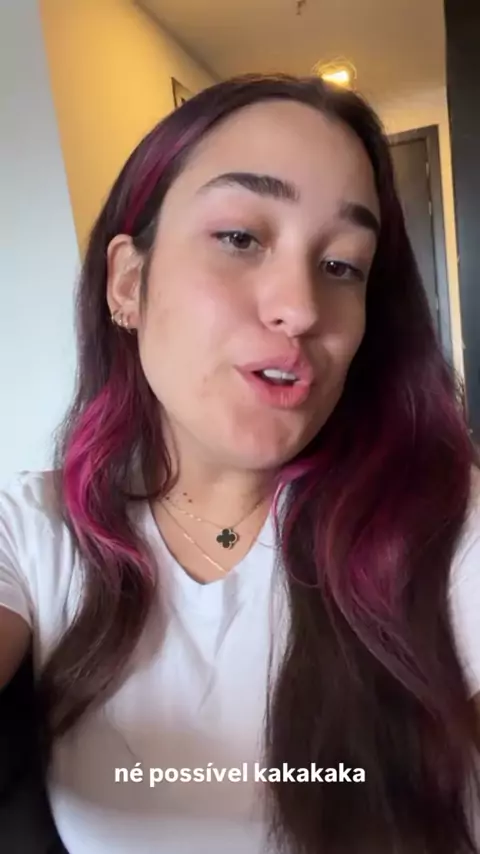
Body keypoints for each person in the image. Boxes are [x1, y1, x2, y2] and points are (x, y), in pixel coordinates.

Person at [0, 73, 479, 854]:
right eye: (240, 238)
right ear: (128, 282)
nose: (301, 307)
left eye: (342, 265)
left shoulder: (443, 522)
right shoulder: (33, 531)